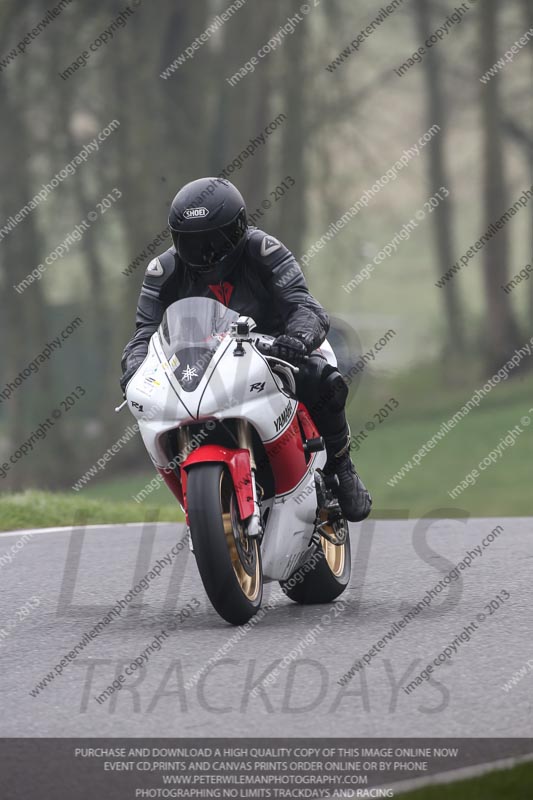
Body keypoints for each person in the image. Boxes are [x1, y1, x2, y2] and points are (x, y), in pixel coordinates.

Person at [121, 178, 371, 522]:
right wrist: (134, 367)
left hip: (276, 347)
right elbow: (144, 333)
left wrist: (298, 339)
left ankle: (341, 468)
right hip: (204, 362)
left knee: (324, 379)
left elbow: (304, 306)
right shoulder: (163, 271)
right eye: (192, 243)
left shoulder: (265, 251)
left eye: (215, 241)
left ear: (238, 229)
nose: (206, 253)